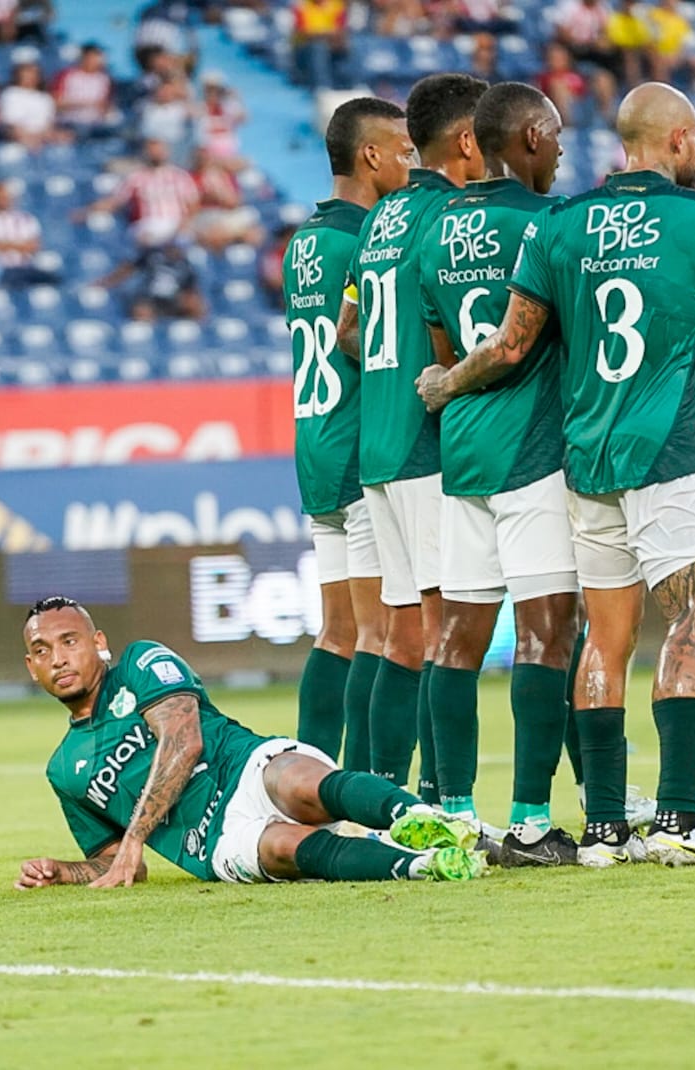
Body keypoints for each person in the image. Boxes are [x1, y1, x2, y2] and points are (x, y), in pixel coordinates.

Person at [416, 82, 695, 867]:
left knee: (603, 643)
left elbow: (515, 340)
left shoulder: (563, 225)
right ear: (677, 140)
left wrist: (445, 383)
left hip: (584, 462)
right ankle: (679, 822)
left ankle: (605, 830)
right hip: (667, 455)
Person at [15, 597, 485, 888]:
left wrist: (137, 835)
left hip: (242, 767)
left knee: (298, 782)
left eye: (69, 642)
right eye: (42, 652)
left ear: (98, 641)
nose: (58, 659)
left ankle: (419, 817)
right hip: (212, 840)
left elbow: (184, 741)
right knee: (282, 848)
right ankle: (426, 866)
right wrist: (63, 871)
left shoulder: (140, 662)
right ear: (31, 667)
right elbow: (120, 866)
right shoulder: (63, 771)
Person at [414, 83, 579, 865]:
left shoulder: (435, 231)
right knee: (548, 635)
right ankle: (530, 821)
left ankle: (451, 813)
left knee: (456, 637)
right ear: (533, 137)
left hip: (463, 453)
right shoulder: (546, 222)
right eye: (556, 136)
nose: (562, 151)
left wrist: (451, 387)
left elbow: (442, 344)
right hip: (533, 450)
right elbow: (539, 340)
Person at [336, 73, 488, 793]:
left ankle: (379, 793)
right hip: (427, 446)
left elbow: (352, 334)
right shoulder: (451, 215)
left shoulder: (382, 216)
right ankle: (433, 797)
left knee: (398, 633)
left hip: (378, 445)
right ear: (469, 139)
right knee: (438, 630)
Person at [281, 97, 409, 774]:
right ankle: (357, 796)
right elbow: (363, 344)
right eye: (403, 150)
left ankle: (304, 783)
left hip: (316, 450)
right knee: (383, 635)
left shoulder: (304, 241)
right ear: (371, 156)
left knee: (337, 631)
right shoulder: (365, 240)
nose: (410, 164)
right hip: (362, 453)